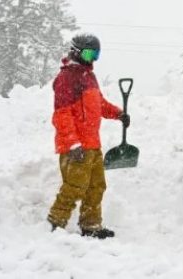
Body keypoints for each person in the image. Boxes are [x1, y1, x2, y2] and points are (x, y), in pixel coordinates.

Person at [47, 33, 130, 239]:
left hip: (93, 145)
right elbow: (61, 115)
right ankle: (55, 223)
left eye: (96, 54)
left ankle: (91, 225)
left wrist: (118, 114)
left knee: (96, 186)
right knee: (74, 187)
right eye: (89, 53)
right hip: (76, 148)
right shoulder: (66, 78)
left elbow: (99, 104)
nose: (92, 58)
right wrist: (73, 144)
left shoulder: (88, 77)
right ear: (76, 51)